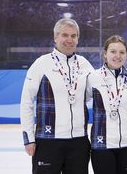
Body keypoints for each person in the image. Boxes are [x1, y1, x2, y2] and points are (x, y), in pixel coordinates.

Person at [20, 18, 94, 174]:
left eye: (73, 36)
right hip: (48, 141)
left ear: (78, 39)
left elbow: (92, 94)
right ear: (55, 37)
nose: (69, 40)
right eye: (64, 35)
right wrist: (29, 138)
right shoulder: (41, 64)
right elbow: (26, 101)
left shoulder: (85, 64)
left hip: (79, 142)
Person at [88, 35, 127, 174]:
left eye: (122, 52)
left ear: (126, 54)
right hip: (102, 144)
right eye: (113, 51)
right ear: (105, 54)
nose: (118, 56)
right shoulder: (93, 77)